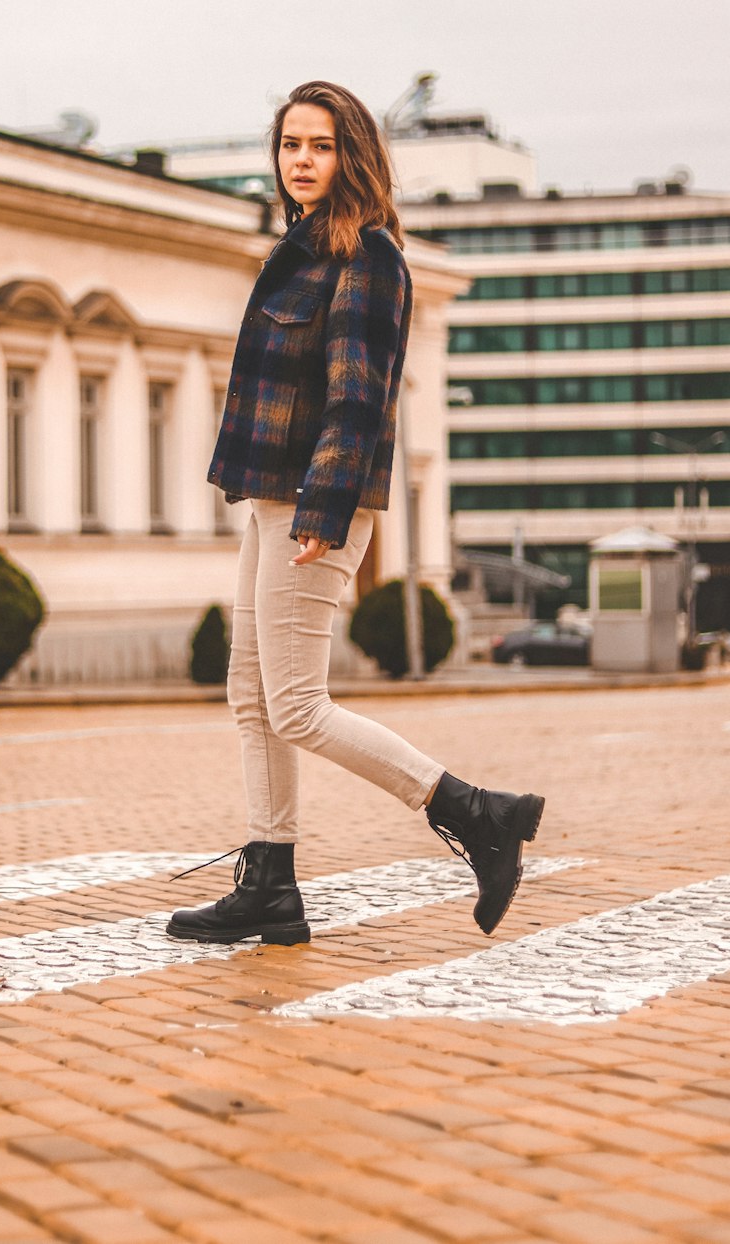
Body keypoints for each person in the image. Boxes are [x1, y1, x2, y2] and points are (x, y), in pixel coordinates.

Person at [166, 80, 544, 948]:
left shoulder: (366, 257)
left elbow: (358, 400)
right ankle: (270, 883)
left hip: (313, 502)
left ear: (353, 155)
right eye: (291, 145)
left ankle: (474, 811)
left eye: (321, 146)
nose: (302, 161)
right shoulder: (298, 249)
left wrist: (324, 505)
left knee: (295, 703)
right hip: (269, 495)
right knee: (252, 699)